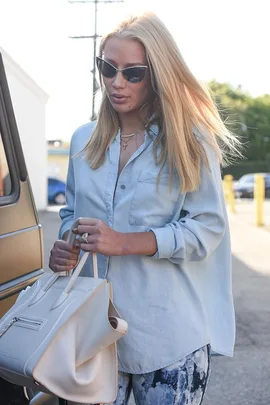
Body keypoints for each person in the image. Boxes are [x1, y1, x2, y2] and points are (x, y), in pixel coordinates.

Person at [49, 12, 241, 405]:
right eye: (107, 68)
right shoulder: (83, 141)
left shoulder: (190, 141)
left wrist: (125, 242)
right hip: (94, 333)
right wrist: (67, 244)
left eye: (132, 73)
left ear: (157, 74)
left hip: (169, 337)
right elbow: (71, 214)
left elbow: (206, 228)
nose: (116, 83)